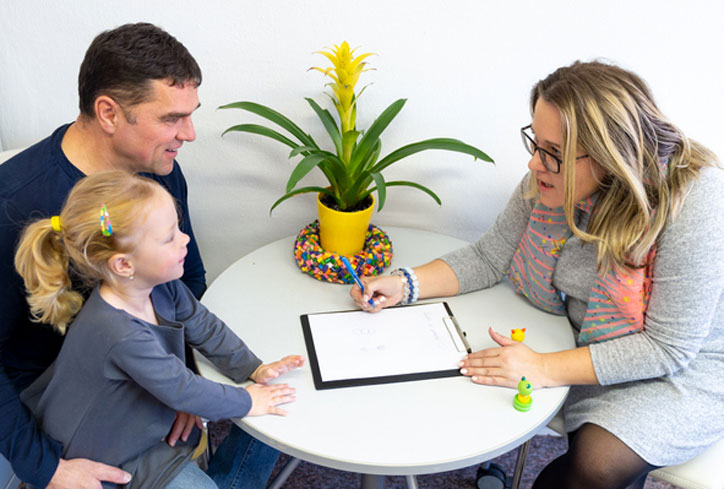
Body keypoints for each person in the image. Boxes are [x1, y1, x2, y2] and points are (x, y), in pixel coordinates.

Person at [351, 60, 724, 489]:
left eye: (553, 153)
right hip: (585, 340)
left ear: (610, 155)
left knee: (597, 466)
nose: (534, 165)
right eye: (535, 142)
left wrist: (541, 368)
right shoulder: (551, 181)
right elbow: (490, 257)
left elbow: (667, 349)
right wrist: (404, 283)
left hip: (686, 365)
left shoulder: (696, 199)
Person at [0, 23, 277, 489]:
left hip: (142, 373)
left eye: (190, 115)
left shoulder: (161, 173)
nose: (187, 134)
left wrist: (183, 379)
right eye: (171, 118)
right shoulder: (13, 203)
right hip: (50, 410)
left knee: (285, 395)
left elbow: (187, 283)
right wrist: (47, 468)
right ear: (109, 112)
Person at [15, 170, 304, 489]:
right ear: (124, 265)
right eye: (169, 237)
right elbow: (186, 389)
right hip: (110, 458)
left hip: (142, 427)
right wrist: (248, 401)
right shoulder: (118, 332)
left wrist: (253, 367)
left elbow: (204, 326)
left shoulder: (162, 287)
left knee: (273, 406)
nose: (186, 239)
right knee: (251, 411)